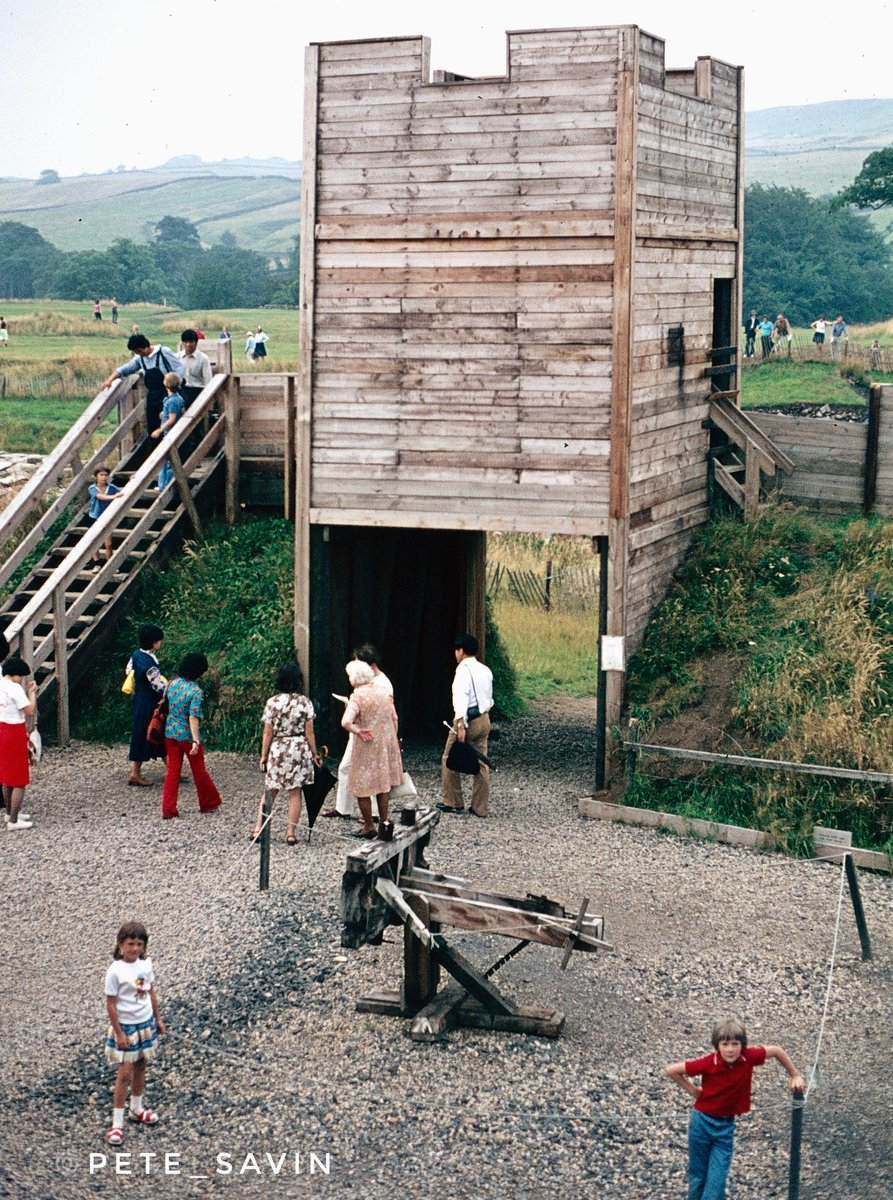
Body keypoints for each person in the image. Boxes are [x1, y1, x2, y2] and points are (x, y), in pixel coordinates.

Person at [666, 1017, 806, 1200]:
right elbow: (672, 1070)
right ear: (717, 1045)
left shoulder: (748, 1057)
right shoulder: (709, 1063)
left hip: (725, 1129)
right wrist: (693, 1090)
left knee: (716, 1183)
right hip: (701, 1123)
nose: (730, 1049)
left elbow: (777, 1051)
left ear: (742, 1045)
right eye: (725, 1044)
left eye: (735, 1043)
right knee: (698, 1178)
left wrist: (795, 1075)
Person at [104, 921, 165, 1146]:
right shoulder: (115, 971)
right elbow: (111, 1004)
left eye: (140, 944)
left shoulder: (146, 964)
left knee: (141, 1065)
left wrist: (158, 1018)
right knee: (124, 1073)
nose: (135, 948)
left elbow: (151, 991)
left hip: (145, 1022)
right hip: (127, 1026)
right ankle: (117, 1123)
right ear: (121, 944)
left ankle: (136, 1108)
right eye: (131, 944)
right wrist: (119, 1032)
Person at [252, 662, 322, 845]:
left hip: (278, 747)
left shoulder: (272, 702)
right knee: (295, 792)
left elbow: (268, 732)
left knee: (270, 790)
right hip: (298, 748)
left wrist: (263, 755)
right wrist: (315, 754)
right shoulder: (305, 702)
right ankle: (291, 833)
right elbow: (310, 732)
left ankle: (258, 829)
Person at [341, 659, 403, 838]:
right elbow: (395, 718)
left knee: (362, 785)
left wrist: (358, 730)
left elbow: (346, 721)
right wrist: (392, 737)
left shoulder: (357, 696)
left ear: (353, 678)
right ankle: (384, 822)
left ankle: (368, 826)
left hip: (367, 744)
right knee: (383, 785)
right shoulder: (384, 691)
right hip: (385, 743)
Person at [332, 644, 394, 819]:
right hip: (361, 731)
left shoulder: (383, 683)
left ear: (370, 664)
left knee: (372, 773)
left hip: (369, 733)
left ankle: (373, 815)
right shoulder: (365, 681)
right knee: (346, 768)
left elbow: (387, 712)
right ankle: (343, 808)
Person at [439, 633, 494, 818]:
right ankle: (480, 807)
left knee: (449, 757)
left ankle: (453, 801)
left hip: (467, 720)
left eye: (456, 650)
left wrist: (461, 725)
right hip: (485, 718)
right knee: (482, 762)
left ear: (461, 651)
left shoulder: (462, 670)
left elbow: (461, 698)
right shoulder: (485, 670)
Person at [161, 652, 221, 819]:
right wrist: (195, 740)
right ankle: (208, 802)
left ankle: (168, 809)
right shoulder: (196, 691)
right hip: (187, 736)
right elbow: (193, 717)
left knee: (173, 771)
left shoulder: (172, 684)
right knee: (199, 770)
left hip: (170, 733)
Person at [101, 334, 185, 435]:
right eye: (136, 352)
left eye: (140, 351)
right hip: (152, 396)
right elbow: (126, 368)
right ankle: (155, 449)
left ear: (146, 346)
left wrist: (175, 386)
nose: (139, 354)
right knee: (152, 426)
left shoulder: (163, 352)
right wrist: (110, 380)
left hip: (167, 393)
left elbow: (179, 368)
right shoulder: (140, 358)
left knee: (167, 425)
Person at [126, 623, 166, 787]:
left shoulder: (136, 655)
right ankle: (135, 773)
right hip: (149, 700)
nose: (161, 643)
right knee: (155, 730)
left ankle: (171, 768)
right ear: (154, 643)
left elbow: (128, 670)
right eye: (159, 641)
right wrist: (170, 691)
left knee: (145, 731)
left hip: (141, 698)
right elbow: (157, 685)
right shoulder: (150, 664)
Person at [0, 655, 37, 830]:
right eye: (21, 676)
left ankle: (9, 813)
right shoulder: (14, 688)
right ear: (15, 674)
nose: (22, 679)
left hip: (2, 729)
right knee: (20, 779)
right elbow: (29, 710)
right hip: (14, 732)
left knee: (6, 777)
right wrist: (32, 694)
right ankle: (14, 820)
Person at [151, 372, 185, 491]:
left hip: (169, 434)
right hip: (173, 433)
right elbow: (182, 413)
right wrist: (163, 413)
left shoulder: (171, 401)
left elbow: (172, 419)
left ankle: (165, 485)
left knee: (167, 460)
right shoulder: (178, 398)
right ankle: (164, 484)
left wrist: (159, 430)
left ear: (166, 384)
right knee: (168, 459)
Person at [87, 466, 124, 568]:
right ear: (96, 476)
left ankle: (110, 565)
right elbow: (100, 497)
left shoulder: (111, 487)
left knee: (109, 544)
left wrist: (131, 479)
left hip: (108, 517)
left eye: (106, 475)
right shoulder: (92, 488)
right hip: (95, 517)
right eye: (101, 475)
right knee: (94, 542)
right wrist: (113, 497)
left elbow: (123, 491)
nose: (104, 477)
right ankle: (96, 563)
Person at [177, 329, 213, 405]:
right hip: (181, 391)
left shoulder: (203, 358)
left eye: (191, 342)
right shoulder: (177, 357)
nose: (188, 345)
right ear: (183, 343)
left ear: (196, 343)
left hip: (197, 391)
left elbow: (208, 379)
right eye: (186, 342)